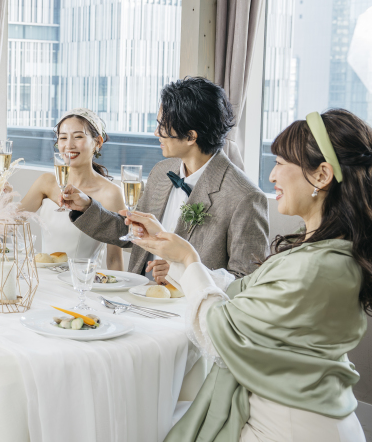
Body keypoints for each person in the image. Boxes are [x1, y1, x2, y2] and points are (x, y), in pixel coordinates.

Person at [125, 108, 369, 441]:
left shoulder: (316, 266)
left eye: (281, 164)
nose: (272, 176)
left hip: (289, 427)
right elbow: (245, 290)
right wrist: (182, 260)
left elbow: (224, 332)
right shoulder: (327, 251)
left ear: (322, 175)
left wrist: (187, 257)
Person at [61, 77, 269, 281]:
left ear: (191, 137)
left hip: (188, 311)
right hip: (138, 298)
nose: (155, 132)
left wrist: (183, 272)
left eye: (162, 126)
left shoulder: (245, 197)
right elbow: (132, 232)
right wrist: (86, 207)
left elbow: (247, 282)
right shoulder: (162, 172)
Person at [20, 108, 126, 268]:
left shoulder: (111, 193)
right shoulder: (46, 182)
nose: (69, 145)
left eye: (78, 137)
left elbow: (114, 260)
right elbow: (10, 221)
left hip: (81, 284)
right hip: (43, 281)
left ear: (98, 142)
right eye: (63, 138)